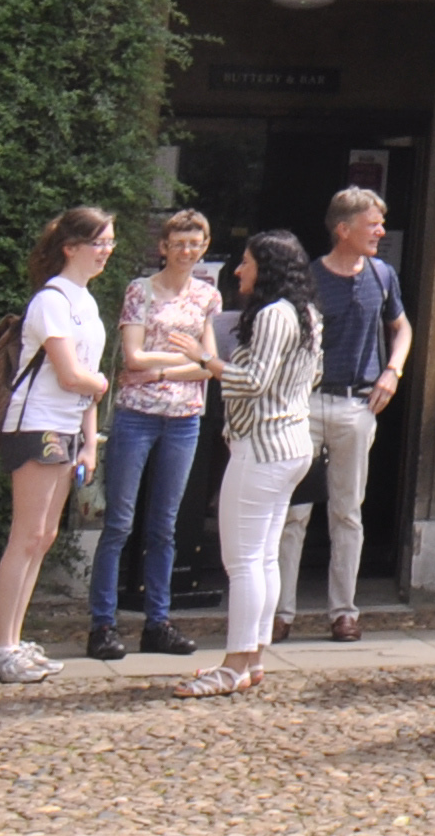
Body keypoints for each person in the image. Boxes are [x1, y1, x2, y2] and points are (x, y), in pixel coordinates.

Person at [178, 230, 324, 701]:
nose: (238, 270)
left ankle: (234, 663)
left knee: (241, 561)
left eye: (246, 262)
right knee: (261, 557)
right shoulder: (306, 314)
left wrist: (207, 359)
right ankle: (252, 657)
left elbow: (252, 381)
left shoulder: (273, 316)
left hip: (262, 446)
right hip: (289, 443)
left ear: (268, 268)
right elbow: (310, 375)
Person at [0, 205, 117, 684]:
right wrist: (96, 385)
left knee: (45, 536)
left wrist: (89, 440)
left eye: (109, 242)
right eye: (98, 242)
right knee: (27, 534)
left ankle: (13, 639)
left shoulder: (87, 302)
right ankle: (0, 645)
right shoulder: (51, 301)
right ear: (70, 247)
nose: (105, 252)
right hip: (35, 424)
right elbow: (73, 374)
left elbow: (90, 381)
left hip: (65, 425)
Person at [86, 208, 223, 662]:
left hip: (184, 418)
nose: (188, 250)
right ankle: (103, 623)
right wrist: (186, 361)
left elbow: (210, 363)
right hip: (138, 415)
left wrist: (164, 366)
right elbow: (131, 357)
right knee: (120, 522)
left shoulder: (207, 295)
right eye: (179, 242)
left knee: (165, 526)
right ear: (164, 247)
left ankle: (157, 621)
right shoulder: (140, 292)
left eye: (195, 242)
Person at [305, 185, 410, 642]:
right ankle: (281, 611)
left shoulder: (382, 274)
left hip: (357, 403)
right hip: (308, 402)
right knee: (295, 513)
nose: (381, 232)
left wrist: (393, 370)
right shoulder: (309, 277)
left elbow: (401, 327)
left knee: (348, 512)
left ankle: (343, 610)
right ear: (342, 229)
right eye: (373, 224)